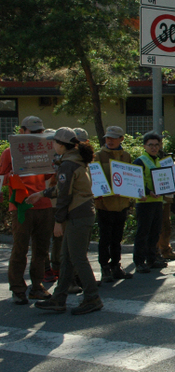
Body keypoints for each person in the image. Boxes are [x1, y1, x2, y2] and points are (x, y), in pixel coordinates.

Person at [28, 127, 103, 315]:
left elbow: (64, 197)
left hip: (77, 214)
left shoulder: (68, 164)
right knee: (67, 259)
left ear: (62, 145)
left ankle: (92, 297)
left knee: (77, 258)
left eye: (54, 142)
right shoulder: (76, 160)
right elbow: (64, 190)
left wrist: (58, 221)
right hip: (82, 213)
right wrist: (41, 193)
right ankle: (59, 298)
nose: (53, 145)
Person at [0, 116, 54, 305]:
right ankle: (18, 289)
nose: (37, 135)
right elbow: (1, 177)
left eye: (40, 131)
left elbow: (49, 175)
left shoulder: (45, 150)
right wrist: (11, 175)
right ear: (22, 131)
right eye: (33, 131)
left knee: (41, 249)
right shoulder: (9, 153)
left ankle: (37, 286)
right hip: (21, 207)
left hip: (43, 205)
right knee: (20, 248)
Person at [94, 126, 133, 283]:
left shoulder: (126, 156)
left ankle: (116, 266)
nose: (109, 140)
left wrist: (130, 196)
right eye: (107, 138)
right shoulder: (98, 156)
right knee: (105, 238)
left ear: (121, 139)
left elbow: (131, 179)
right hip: (104, 205)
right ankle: (105, 268)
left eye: (113, 137)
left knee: (117, 238)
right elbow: (95, 180)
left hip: (121, 203)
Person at [132, 131, 167, 273]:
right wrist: (147, 191)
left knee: (155, 232)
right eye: (150, 145)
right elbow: (135, 180)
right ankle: (139, 261)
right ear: (144, 146)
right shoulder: (140, 161)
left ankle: (152, 259)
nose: (154, 147)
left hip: (158, 201)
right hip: (145, 202)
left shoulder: (157, 160)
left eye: (156, 145)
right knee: (143, 232)